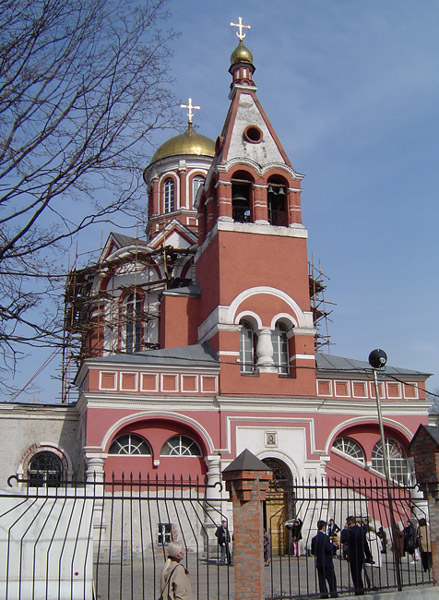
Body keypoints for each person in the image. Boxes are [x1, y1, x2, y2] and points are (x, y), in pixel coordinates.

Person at [340, 516, 370, 595]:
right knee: (359, 574)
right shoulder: (361, 530)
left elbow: (343, 540)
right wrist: (368, 555)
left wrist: (345, 529)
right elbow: (365, 544)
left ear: (349, 522)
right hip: (360, 555)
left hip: (353, 555)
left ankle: (358, 591)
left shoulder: (349, 531)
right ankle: (361, 590)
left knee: (355, 575)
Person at [311, 519, 338, 599]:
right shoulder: (325, 537)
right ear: (323, 527)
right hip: (327, 562)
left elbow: (313, 551)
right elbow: (329, 549)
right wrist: (334, 547)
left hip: (319, 562)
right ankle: (333, 595)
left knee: (321, 580)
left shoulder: (314, 538)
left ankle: (324, 595)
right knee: (331, 580)